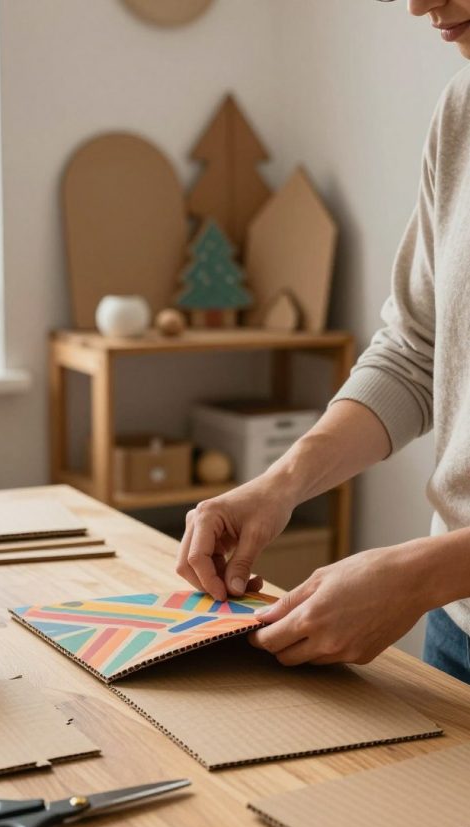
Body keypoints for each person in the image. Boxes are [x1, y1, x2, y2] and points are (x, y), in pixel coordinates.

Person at [177, 0, 470, 684]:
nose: (417, 4)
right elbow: (416, 352)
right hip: (457, 632)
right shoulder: (461, 109)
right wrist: (280, 485)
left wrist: (417, 574)